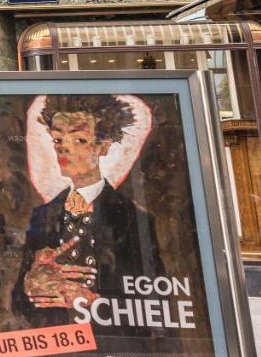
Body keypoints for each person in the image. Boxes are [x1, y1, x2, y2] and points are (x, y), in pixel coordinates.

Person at [10, 94, 163, 327]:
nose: (64, 149)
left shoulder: (131, 217)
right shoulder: (42, 216)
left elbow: (154, 300)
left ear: (102, 147)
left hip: (111, 355)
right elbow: (20, 307)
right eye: (58, 140)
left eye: (79, 140)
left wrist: (95, 301)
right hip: (55, 352)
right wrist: (31, 287)